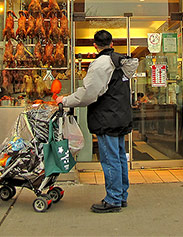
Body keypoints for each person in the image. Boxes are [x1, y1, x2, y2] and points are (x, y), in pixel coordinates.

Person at [56, 30, 138, 213]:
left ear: (95, 45)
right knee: (118, 157)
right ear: (112, 44)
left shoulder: (101, 64)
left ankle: (113, 199)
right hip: (120, 116)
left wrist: (65, 100)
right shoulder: (120, 62)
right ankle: (121, 195)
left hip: (107, 118)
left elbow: (88, 94)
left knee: (110, 160)